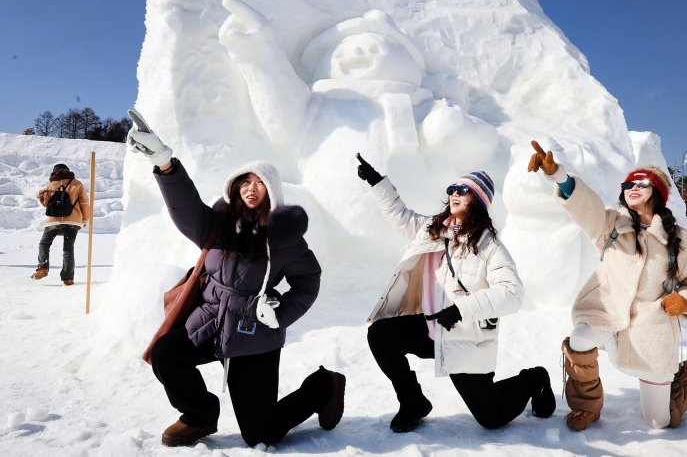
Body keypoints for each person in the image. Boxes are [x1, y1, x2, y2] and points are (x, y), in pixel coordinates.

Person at [126, 115, 346, 448]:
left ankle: (324, 386)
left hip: (253, 331)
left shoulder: (284, 238)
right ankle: (199, 416)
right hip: (211, 318)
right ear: (235, 187)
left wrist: (280, 314)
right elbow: (185, 206)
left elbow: (308, 280)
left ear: (271, 190)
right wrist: (164, 163)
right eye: (245, 181)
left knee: (262, 434)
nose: (250, 187)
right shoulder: (216, 225)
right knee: (167, 353)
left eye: (259, 182)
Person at [356, 154, 555, 433]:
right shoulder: (434, 230)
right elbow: (402, 217)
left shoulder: (489, 246)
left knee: (491, 416)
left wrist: (461, 310)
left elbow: (512, 294)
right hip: (430, 326)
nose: (454, 194)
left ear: (478, 200)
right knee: (381, 334)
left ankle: (533, 379)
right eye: (451, 189)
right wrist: (377, 183)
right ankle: (413, 401)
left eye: (463, 190)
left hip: (464, 335)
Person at [528, 140, 687, 430]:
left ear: (659, 193)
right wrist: (559, 176)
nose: (632, 187)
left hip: (651, 330)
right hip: (606, 313)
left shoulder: (679, 240)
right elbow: (585, 206)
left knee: (659, 422)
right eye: (627, 183)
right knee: (580, 337)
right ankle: (586, 407)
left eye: (641, 183)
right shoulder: (612, 225)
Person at [32, 163, 90, 285]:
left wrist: (41, 197)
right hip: (73, 221)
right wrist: (85, 220)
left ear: (54, 172)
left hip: (54, 221)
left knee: (44, 243)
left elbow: (47, 205)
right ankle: (68, 278)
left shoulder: (50, 185)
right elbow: (84, 202)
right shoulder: (77, 183)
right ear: (68, 171)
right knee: (68, 249)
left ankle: (43, 268)